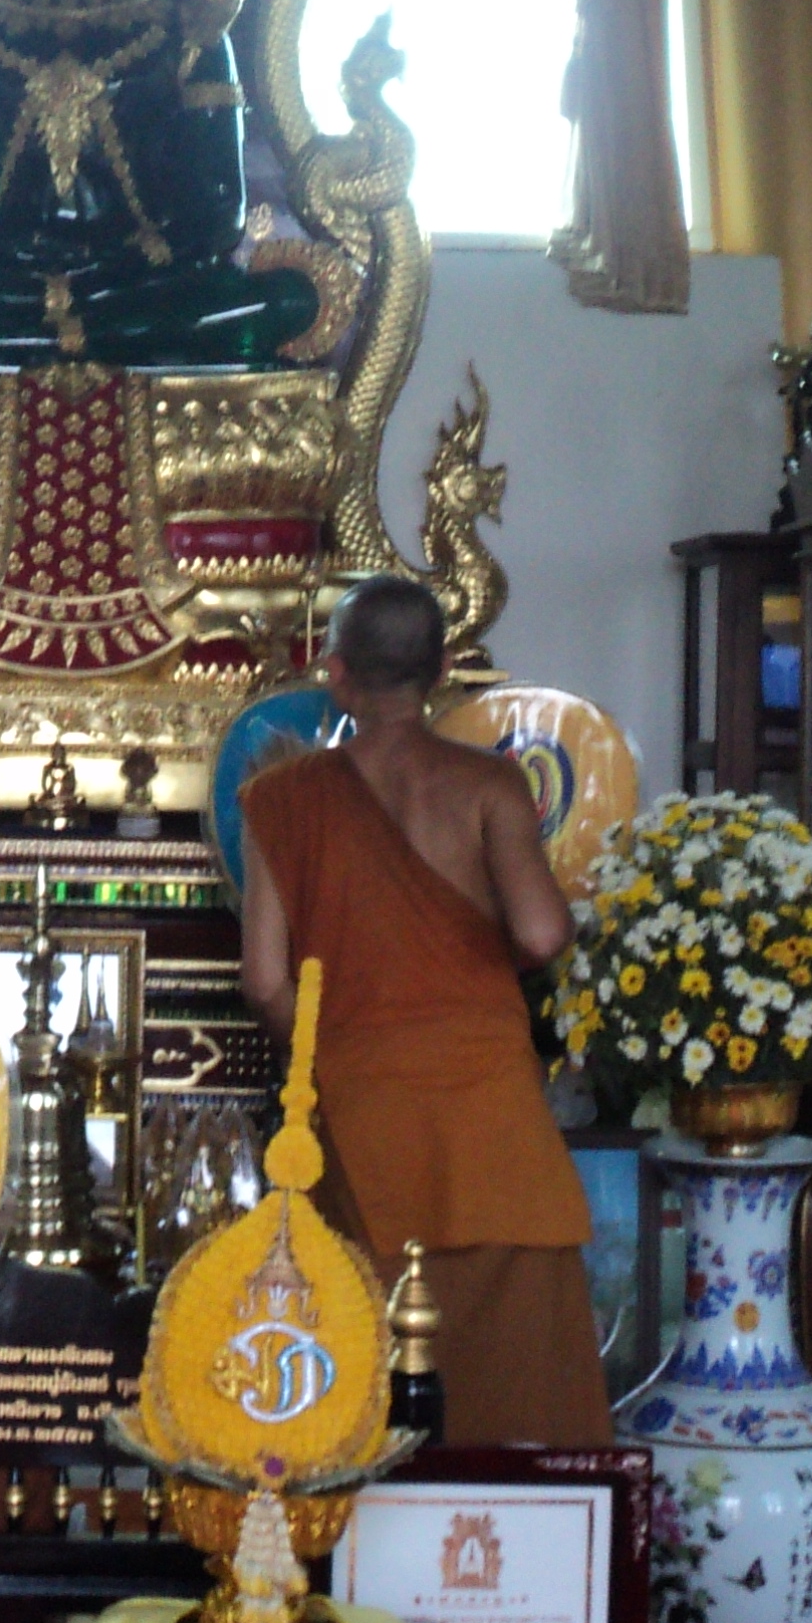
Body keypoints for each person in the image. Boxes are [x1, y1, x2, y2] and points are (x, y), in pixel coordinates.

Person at [236, 578, 611, 1446]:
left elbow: (263, 980)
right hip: (492, 1114)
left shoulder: (280, 799)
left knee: (365, 1361)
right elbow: (543, 931)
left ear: (336, 674)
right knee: (518, 1379)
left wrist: (329, 1054)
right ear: (442, 670)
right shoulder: (490, 785)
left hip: (363, 1112)